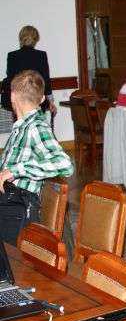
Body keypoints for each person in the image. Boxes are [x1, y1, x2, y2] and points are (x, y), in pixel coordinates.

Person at [0, 70, 73, 245]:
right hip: (11, 202)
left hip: (18, 208)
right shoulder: (22, 127)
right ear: (42, 99)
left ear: (12, 96)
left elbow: (64, 164)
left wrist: (16, 170)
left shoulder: (36, 127)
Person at [3, 26, 56, 116]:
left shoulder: (12, 56)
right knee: (37, 123)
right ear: (35, 39)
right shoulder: (41, 55)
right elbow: (45, 80)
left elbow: (11, 80)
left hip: (19, 101)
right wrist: (51, 101)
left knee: (20, 123)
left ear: (21, 38)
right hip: (37, 100)